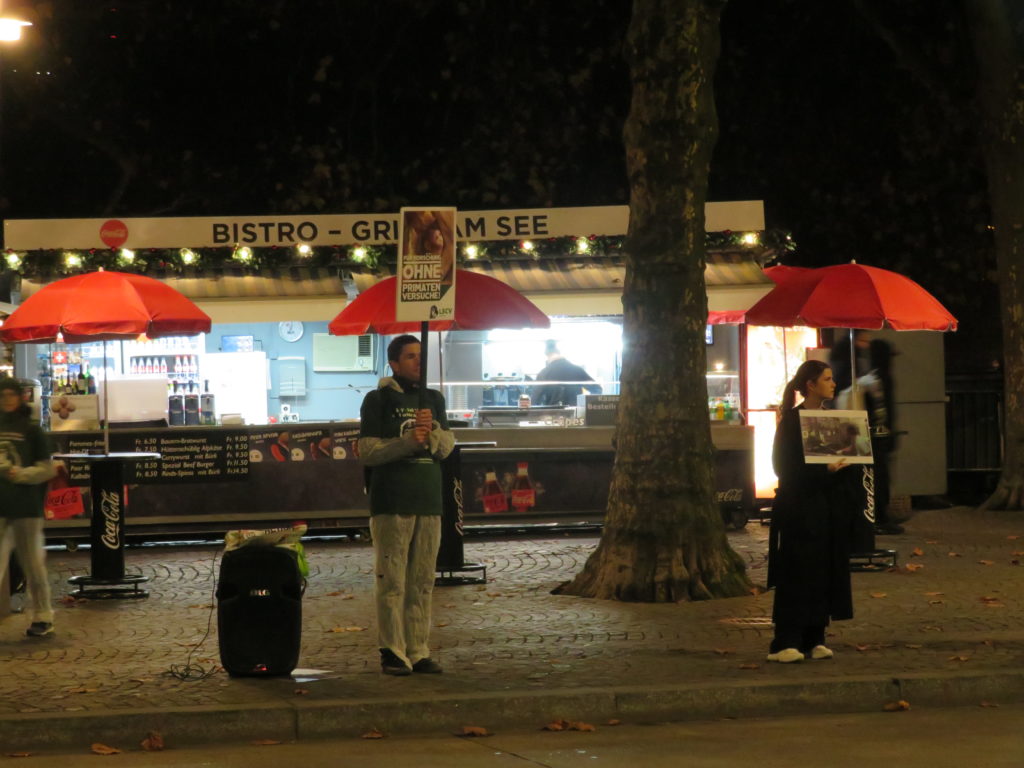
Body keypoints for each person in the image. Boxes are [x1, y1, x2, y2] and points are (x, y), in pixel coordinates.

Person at [358, 334, 455, 676]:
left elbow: (446, 448)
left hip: (429, 499)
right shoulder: (377, 400)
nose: (418, 362)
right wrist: (406, 442)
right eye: (411, 357)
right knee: (393, 579)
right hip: (392, 500)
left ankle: (419, 648)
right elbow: (367, 451)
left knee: (422, 579)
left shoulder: (433, 399)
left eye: (421, 355)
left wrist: (433, 435)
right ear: (394, 363)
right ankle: (392, 648)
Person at [767, 360, 855, 663]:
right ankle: (786, 639)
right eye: (827, 379)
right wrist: (824, 471)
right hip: (799, 508)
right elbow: (783, 467)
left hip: (826, 508)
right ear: (810, 385)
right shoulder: (792, 421)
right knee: (797, 571)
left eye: (833, 378)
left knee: (822, 570)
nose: (833, 384)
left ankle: (815, 635)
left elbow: (843, 464)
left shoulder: (831, 419)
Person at [0, 378, 57, 637]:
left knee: (32, 564)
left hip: (26, 506)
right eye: (3, 396)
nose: (7, 400)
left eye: (11, 395)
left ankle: (43, 616)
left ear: (21, 397)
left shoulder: (32, 429)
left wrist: (20, 475)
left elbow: (47, 468)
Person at [859, 338, 903, 534]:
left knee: (875, 477)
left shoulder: (868, 377)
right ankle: (880, 516)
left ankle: (877, 515)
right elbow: (886, 410)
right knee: (881, 477)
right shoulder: (882, 378)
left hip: (871, 435)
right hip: (879, 436)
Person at [531, 341, 601, 407]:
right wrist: (588, 407)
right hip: (576, 415)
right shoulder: (577, 370)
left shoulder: (544, 373)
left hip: (553, 415)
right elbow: (597, 389)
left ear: (547, 356)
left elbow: (534, 401)